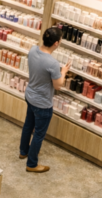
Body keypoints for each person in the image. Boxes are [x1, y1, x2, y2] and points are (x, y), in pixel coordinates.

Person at [20, 27, 71, 173]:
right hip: (42, 102)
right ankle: (32, 164)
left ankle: (23, 151)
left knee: (28, 125)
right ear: (56, 43)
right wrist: (63, 72)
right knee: (39, 134)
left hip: (30, 95)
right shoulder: (52, 63)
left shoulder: (33, 50)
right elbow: (58, 85)